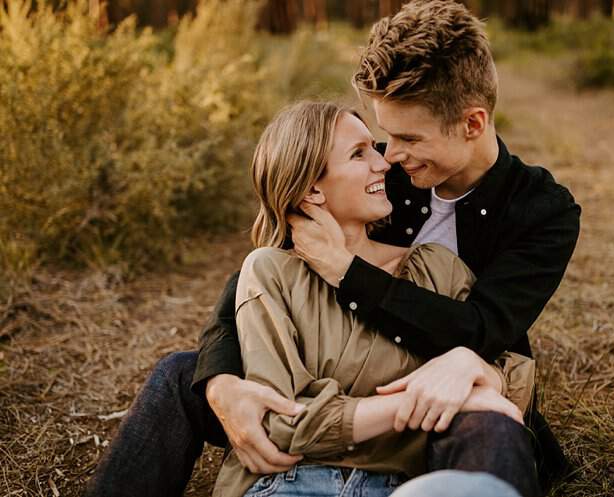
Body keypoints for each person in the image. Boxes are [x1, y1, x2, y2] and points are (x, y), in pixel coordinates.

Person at [85, 2, 580, 495]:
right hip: (323, 369)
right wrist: (221, 383)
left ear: (472, 124)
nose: (390, 157)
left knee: (492, 428)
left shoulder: (542, 211)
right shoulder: (386, 175)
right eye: (383, 136)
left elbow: (481, 329)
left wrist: (347, 271)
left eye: (407, 137)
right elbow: (264, 274)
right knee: (180, 374)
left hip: (435, 389)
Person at [218, 101, 532, 497]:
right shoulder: (271, 271)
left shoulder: (434, 267)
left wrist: (483, 373)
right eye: (359, 153)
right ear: (312, 189)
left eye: (374, 146)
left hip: (403, 487)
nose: (384, 163)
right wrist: (422, 401)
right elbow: (282, 423)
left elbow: (513, 379)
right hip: (288, 485)